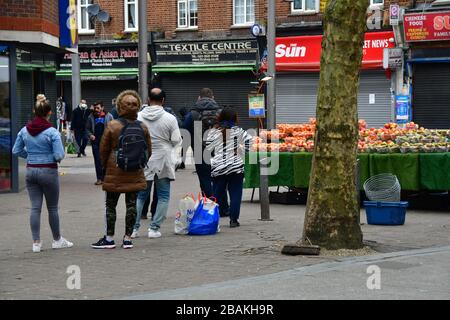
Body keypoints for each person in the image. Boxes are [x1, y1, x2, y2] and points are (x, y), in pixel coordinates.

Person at [12, 94, 73, 252]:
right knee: (52, 208)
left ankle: (36, 243)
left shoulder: (24, 130)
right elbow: (59, 155)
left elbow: (16, 150)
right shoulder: (52, 132)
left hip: (31, 171)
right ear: (49, 113)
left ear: (34, 111)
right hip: (48, 171)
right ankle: (57, 239)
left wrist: (30, 156)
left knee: (35, 208)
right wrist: (49, 158)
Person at [91, 90, 152, 250]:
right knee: (131, 205)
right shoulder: (143, 127)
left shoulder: (112, 125)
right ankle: (127, 239)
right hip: (135, 172)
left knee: (111, 205)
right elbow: (148, 151)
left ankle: (109, 238)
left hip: (114, 171)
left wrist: (106, 168)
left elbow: (103, 151)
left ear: (119, 107)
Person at [132, 88, 182, 239]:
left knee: (140, 196)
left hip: (144, 159)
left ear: (148, 99)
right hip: (164, 160)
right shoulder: (170, 118)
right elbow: (176, 140)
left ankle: (133, 229)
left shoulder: (138, 117)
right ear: (163, 100)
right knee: (163, 196)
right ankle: (154, 229)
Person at [205, 107, 252, 228]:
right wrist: (240, 151)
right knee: (235, 194)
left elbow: (208, 148)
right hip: (235, 167)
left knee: (216, 194)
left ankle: (209, 218)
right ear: (235, 118)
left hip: (218, 167)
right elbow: (249, 143)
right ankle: (233, 220)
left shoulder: (213, 132)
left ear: (220, 118)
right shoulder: (239, 131)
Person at [182, 88, 221, 198]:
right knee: (219, 177)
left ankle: (209, 204)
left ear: (199, 98)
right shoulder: (220, 112)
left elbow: (185, 131)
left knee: (204, 178)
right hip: (218, 150)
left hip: (200, 150)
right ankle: (222, 206)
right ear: (213, 97)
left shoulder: (192, 113)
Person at [86, 101, 113, 185]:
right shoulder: (91, 117)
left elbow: (114, 127)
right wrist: (90, 135)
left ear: (102, 108)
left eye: (98, 108)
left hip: (106, 142)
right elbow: (87, 129)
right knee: (97, 160)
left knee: (106, 160)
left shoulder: (109, 116)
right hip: (96, 142)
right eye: (95, 108)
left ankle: (105, 178)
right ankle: (99, 178)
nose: (96, 110)